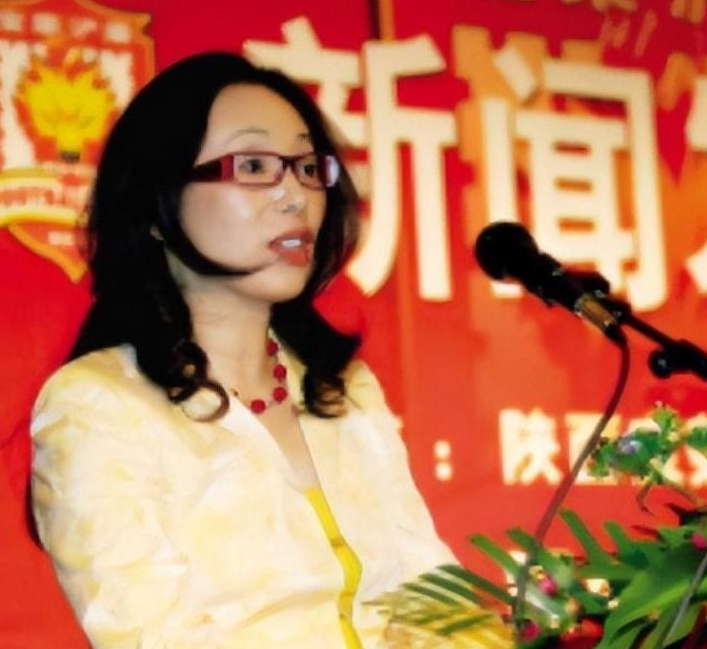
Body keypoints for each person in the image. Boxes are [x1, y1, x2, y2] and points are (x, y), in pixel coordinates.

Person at [30, 52, 455, 649]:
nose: (295, 196)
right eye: (253, 165)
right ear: (157, 203)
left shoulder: (343, 389)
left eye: (307, 167)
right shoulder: (97, 406)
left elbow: (438, 601)